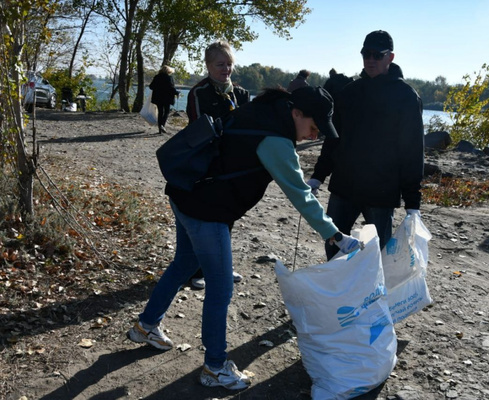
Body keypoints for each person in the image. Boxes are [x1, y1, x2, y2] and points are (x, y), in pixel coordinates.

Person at [127, 86, 361, 391]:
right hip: (206, 209)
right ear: (296, 113)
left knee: (185, 262)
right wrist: (334, 234)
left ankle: (146, 326)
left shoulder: (263, 110)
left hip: (186, 192)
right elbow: (300, 195)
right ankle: (215, 367)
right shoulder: (276, 138)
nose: (313, 136)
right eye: (313, 127)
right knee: (221, 287)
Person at [307, 30, 424, 260]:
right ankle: (338, 294)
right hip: (343, 188)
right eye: (365, 53)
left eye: (376, 55)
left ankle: (370, 296)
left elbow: (412, 151)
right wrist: (317, 176)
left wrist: (413, 203)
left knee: (377, 255)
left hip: (381, 192)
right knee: (333, 248)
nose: (370, 59)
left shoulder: (406, 97)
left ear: (390, 57)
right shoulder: (350, 93)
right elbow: (333, 140)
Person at [186, 40, 251, 289]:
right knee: (208, 219)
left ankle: (222, 266)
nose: (226, 69)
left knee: (228, 217)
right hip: (208, 165)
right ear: (208, 65)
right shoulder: (198, 93)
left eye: (229, 64)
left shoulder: (241, 93)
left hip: (235, 166)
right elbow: (199, 129)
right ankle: (198, 270)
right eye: (220, 64)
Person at [149, 65, 179, 134]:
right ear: (169, 71)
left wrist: (158, 88)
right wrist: (176, 92)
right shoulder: (169, 78)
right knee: (166, 112)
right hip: (167, 98)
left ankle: (160, 128)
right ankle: (162, 125)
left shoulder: (157, 77)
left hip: (158, 98)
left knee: (160, 112)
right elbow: (171, 88)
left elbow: (151, 86)